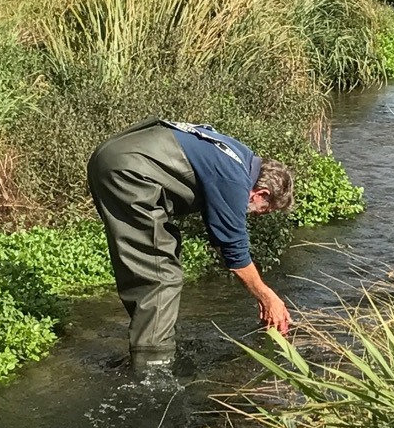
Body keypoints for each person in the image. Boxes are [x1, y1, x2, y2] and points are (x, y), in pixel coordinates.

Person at [87, 117, 294, 370]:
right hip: (128, 173)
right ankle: (152, 369)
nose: (257, 215)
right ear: (261, 194)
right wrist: (267, 296)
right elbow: (234, 252)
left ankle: (148, 343)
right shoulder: (235, 180)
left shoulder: (239, 156)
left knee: (155, 255)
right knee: (160, 275)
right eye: (264, 210)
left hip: (117, 159)